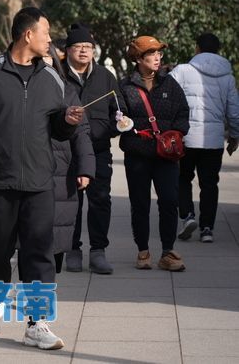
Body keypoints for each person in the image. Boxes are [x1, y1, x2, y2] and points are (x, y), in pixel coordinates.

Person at [0, 7, 82, 349]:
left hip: (40, 182)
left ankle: (37, 323)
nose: (50, 40)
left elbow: (57, 131)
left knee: (39, 253)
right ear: (28, 34)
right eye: (46, 33)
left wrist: (68, 122)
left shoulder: (53, 78)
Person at [118, 36, 189, 271]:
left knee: (169, 201)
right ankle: (143, 250)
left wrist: (177, 133)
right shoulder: (126, 86)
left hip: (166, 156)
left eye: (159, 53)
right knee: (140, 204)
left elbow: (183, 112)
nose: (158, 58)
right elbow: (117, 116)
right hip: (137, 155)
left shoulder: (170, 84)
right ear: (139, 58)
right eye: (152, 54)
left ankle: (167, 251)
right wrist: (122, 122)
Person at [61, 25, 126, 274]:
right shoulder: (58, 75)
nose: (84, 51)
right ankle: (72, 250)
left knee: (100, 201)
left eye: (88, 47)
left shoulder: (105, 76)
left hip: (98, 150)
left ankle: (98, 251)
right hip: (67, 151)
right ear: (68, 51)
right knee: (70, 202)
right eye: (79, 47)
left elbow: (118, 109)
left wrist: (117, 126)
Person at [170, 33, 239, 243]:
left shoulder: (182, 70)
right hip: (214, 141)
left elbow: (166, 95)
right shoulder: (227, 77)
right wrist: (234, 137)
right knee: (210, 183)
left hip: (186, 138)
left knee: (182, 178)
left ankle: (188, 216)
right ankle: (207, 228)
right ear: (218, 50)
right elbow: (234, 111)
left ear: (197, 48)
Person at [42, 47, 96, 274]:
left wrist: (85, 169)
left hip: (61, 170)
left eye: (47, 62)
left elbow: (81, 133)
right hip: (28, 169)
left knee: (57, 231)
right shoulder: (16, 89)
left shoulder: (66, 91)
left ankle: (44, 288)